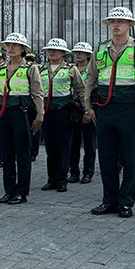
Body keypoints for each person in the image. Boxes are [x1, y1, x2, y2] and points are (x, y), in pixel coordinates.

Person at [84, 7, 135, 218]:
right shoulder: (100, 49)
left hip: (129, 107)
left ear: (130, 25)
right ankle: (109, 201)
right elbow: (90, 79)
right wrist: (88, 106)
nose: (116, 25)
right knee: (106, 156)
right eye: (113, 21)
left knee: (129, 156)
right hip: (104, 107)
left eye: (121, 21)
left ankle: (126, 202)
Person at [0, 33, 44, 205]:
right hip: (3, 113)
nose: (10, 48)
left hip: (21, 114)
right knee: (6, 154)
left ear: (23, 48)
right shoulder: (0, 69)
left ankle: (21, 192)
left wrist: (39, 115)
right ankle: (9, 190)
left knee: (22, 154)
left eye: (15, 45)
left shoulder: (30, 68)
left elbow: (37, 93)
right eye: (8, 45)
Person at [38, 38, 85, 193]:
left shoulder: (71, 69)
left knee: (64, 146)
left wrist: (86, 109)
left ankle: (62, 180)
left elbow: (80, 89)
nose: (51, 52)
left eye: (55, 50)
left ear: (63, 53)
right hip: (47, 111)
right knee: (50, 147)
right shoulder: (41, 70)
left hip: (64, 111)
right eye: (49, 50)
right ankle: (51, 179)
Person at [68, 42, 96, 184]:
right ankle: (74, 172)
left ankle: (88, 172)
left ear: (88, 54)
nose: (78, 54)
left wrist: (88, 109)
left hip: (88, 108)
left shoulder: (92, 69)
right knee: (74, 142)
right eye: (76, 52)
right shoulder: (71, 69)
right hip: (73, 108)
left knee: (89, 142)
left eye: (81, 52)